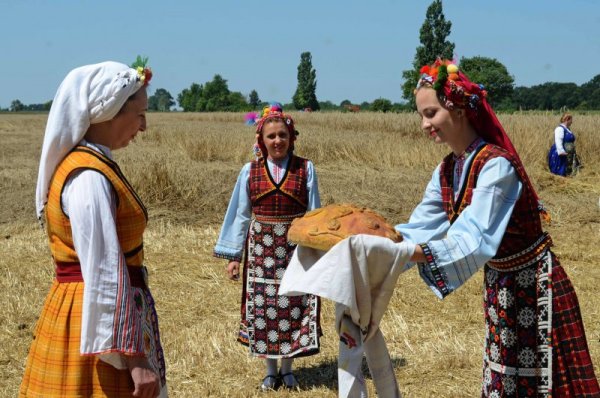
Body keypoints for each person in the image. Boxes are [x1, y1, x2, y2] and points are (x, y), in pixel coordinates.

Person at [395, 60, 599, 397]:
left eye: (430, 113)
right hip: (501, 288)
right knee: (503, 378)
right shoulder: (448, 170)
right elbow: (417, 228)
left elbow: (474, 238)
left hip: (536, 288)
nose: (424, 125)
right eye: (421, 115)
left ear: (458, 109)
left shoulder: (497, 166)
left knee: (542, 383)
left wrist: (404, 252)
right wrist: (370, 243)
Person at [21, 61, 167, 397]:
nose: (144, 126)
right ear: (110, 112)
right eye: (140, 114)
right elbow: (103, 270)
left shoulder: (91, 164)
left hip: (94, 312)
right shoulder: (88, 177)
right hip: (95, 321)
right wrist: (133, 358)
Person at [213, 103, 322, 391]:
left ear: (292, 137)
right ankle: (270, 371)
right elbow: (240, 213)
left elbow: (314, 211)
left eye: (282, 136)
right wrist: (234, 256)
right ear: (261, 140)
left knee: (294, 305)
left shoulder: (305, 168)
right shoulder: (249, 171)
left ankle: (288, 369)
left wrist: (316, 248)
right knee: (264, 308)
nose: (277, 141)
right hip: (261, 250)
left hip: (294, 248)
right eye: (271, 136)